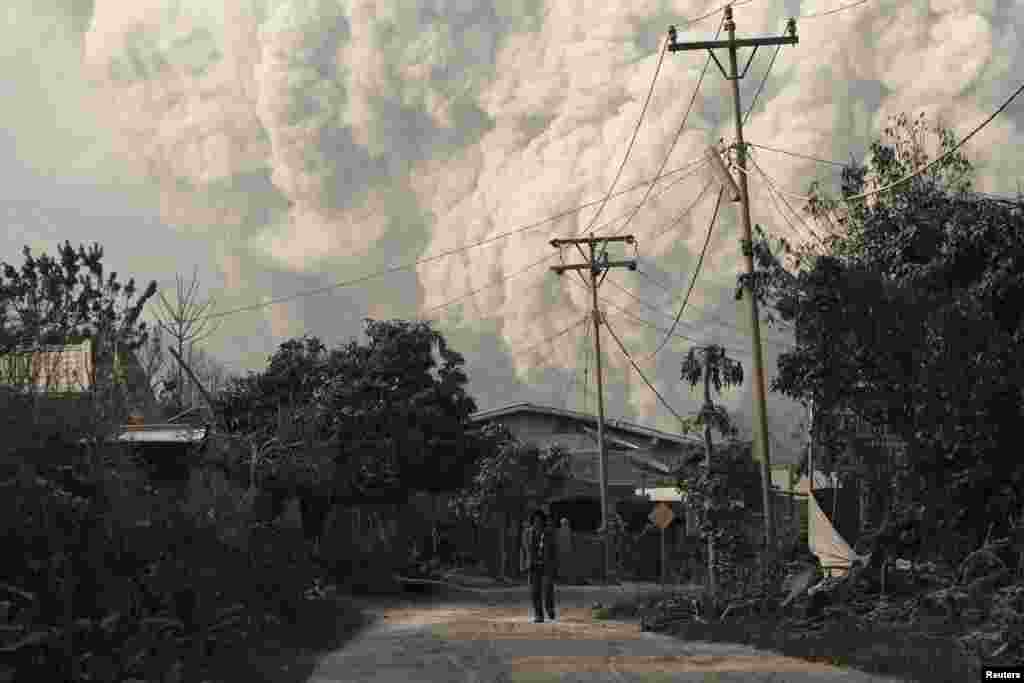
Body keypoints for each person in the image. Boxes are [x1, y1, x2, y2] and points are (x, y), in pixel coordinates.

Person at [521, 509, 558, 622]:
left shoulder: (549, 533)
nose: (537, 523)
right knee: (534, 591)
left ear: (543, 522)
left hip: (547, 565)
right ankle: (538, 614)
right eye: (535, 521)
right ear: (532, 522)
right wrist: (523, 564)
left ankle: (550, 608)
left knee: (548, 589)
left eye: (540, 521)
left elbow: (554, 550)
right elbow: (523, 549)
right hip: (533, 565)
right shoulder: (527, 533)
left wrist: (555, 565)